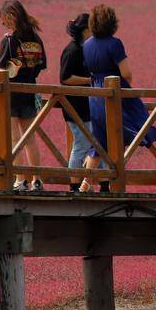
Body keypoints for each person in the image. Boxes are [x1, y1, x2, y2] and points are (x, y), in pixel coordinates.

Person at [81, 4, 156, 192]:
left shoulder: (87, 44)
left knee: (100, 139)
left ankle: (86, 184)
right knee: (132, 132)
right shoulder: (114, 43)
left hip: (95, 94)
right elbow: (126, 73)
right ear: (112, 22)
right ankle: (115, 181)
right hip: (115, 92)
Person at [0, 0, 47, 191]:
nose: (3, 24)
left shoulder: (9, 41)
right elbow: (41, 65)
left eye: (3, 19)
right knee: (30, 138)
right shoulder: (35, 39)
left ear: (11, 16)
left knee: (15, 138)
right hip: (30, 90)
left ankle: (20, 180)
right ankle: (37, 179)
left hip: (11, 94)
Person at [59, 13, 101, 193]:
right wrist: (88, 80)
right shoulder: (73, 50)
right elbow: (65, 78)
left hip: (86, 105)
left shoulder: (85, 48)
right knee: (82, 144)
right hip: (74, 106)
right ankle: (75, 186)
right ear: (85, 30)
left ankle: (90, 183)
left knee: (94, 143)